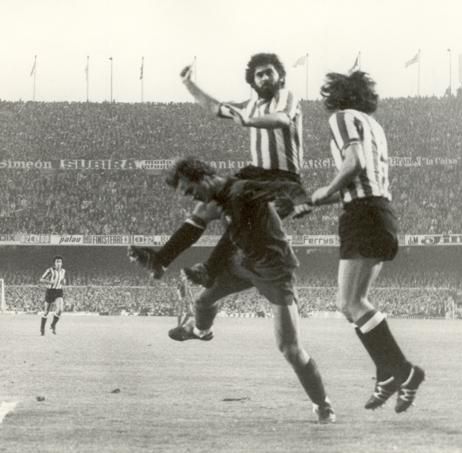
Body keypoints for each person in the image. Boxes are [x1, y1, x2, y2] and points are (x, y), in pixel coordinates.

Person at [133, 157, 335, 424]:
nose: (190, 196)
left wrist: (300, 200)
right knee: (203, 303)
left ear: (203, 177)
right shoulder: (215, 200)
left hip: (273, 269)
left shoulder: (242, 189)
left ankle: (323, 404)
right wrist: (160, 259)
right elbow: (192, 227)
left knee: (290, 349)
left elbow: (285, 185)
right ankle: (201, 331)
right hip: (240, 262)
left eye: (190, 190)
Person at [129, 53, 308, 287]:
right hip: (255, 173)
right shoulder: (249, 106)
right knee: (205, 207)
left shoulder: (287, 96)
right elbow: (215, 108)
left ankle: (210, 269)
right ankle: (161, 259)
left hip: (282, 176)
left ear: (280, 77)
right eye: (259, 74)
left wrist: (250, 121)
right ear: (252, 82)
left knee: (240, 215)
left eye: (269, 72)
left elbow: (283, 119)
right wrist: (188, 84)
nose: (264, 77)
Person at [310, 71, 424, 413]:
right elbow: (363, 175)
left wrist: (324, 191)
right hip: (380, 212)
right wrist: (313, 202)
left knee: (349, 304)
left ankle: (404, 372)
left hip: (362, 214)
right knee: (357, 302)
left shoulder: (342, 118)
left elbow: (354, 163)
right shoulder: (374, 126)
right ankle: (386, 374)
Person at [39, 255, 66, 335]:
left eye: (60, 262)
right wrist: (50, 282)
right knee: (46, 312)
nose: (58, 263)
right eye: (57, 262)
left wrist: (64, 281)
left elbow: (62, 280)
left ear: (62, 263)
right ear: (54, 263)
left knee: (60, 309)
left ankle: (53, 324)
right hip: (50, 291)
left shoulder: (63, 271)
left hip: (59, 291)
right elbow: (41, 279)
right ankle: (42, 328)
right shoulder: (50, 270)